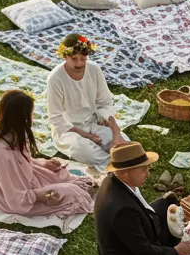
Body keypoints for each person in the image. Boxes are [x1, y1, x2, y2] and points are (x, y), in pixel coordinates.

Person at [94, 141, 190, 255]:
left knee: (166, 203)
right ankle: (172, 248)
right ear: (124, 173)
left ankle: (168, 245)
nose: (148, 173)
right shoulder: (122, 210)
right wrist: (176, 251)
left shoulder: (116, 180)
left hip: (135, 242)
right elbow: (144, 253)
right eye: (143, 169)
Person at [0, 90, 94, 219]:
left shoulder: (12, 134)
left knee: (60, 175)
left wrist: (44, 164)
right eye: (30, 113)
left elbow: (22, 162)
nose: (32, 117)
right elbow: (15, 197)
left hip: (24, 182)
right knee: (73, 193)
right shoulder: (1, 153)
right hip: (15, 199)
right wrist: (42, 196)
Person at [46, 33, 128, 165]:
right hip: (71, 129)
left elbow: (105, 103)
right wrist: (87, 136)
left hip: (93, 122)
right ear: (65, 56)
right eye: (74, 59)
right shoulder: (55, 78)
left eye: (83, 59)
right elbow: (56, 117)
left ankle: (116, 154)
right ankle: (113, 161)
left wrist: (116, 133)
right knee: (83, 150)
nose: (79, 64)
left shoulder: (94, 69)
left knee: (124, 140)